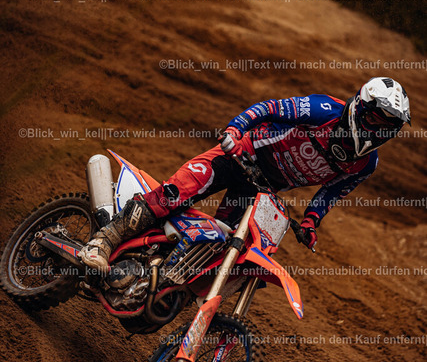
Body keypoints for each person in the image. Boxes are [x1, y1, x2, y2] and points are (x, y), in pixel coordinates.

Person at [79, 77, 411, 272]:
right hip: (240, 156)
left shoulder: (365, 163)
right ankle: (101, 242)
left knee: (223, 246)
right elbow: (269, 108)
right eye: (375, 120)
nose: (377, 131)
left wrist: (311, 222)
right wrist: (236, 130)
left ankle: (160, 276)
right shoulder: (324, 110)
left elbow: (331, 192)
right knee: (172, 195)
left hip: (262, 190)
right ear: (361, 108)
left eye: (387, 128)